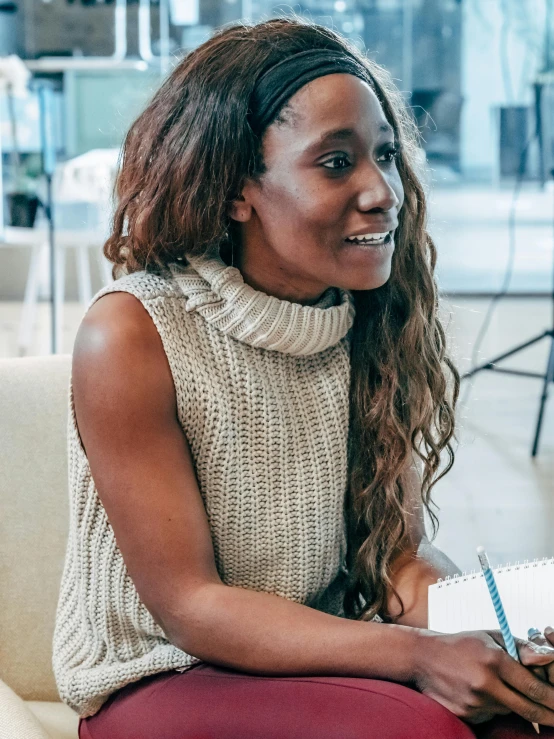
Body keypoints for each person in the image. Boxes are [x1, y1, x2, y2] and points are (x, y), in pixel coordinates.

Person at [52, 15, 554, 739]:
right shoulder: (132, 335)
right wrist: (419, 654)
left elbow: (396, 564)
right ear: (235, 190)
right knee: (426, 732)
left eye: (385, 154)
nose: (382, 189)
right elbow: (191, 604)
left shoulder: (375, 320)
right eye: (335, 161)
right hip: (165, 673)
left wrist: (503, 636)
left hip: (328, 652)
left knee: (522, 717)